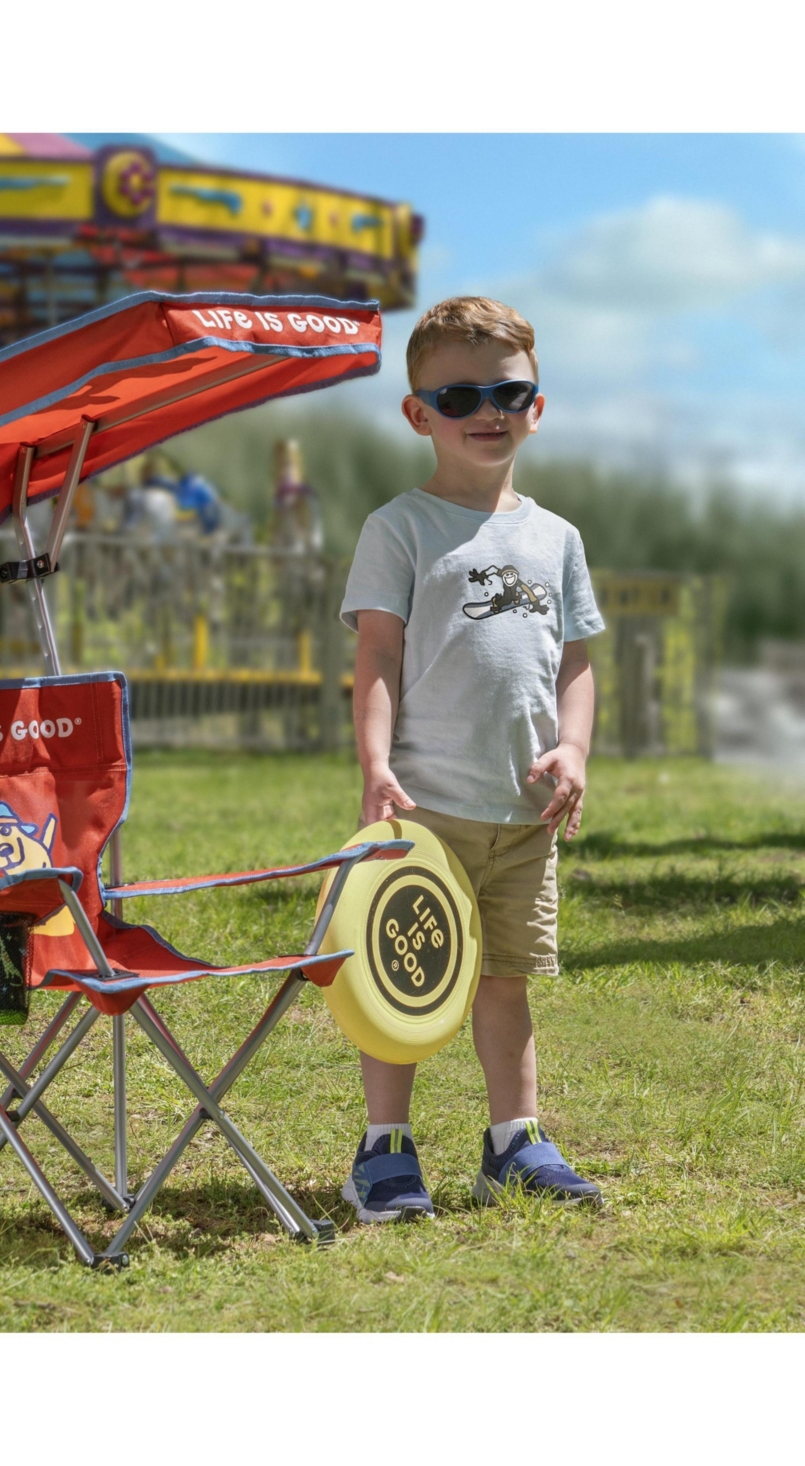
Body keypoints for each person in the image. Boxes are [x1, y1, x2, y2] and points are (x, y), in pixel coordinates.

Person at [339, 296, 606, 1221]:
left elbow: (574, 662)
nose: (487, 412)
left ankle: (515, 1141)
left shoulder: (558, 537)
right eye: (459, 396)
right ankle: (386, 1148)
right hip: (425, 807)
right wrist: (376, 766)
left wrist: (571, 745)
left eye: (509, 392)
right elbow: (376, 655)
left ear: (538, 403)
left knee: (505, 978)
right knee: (402, 978)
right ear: (419, 414)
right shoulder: (400, 528)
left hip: (522, 813)